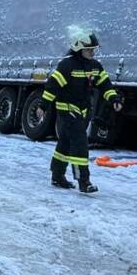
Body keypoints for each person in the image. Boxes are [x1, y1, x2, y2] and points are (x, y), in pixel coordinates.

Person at [41, 27, 123, 193]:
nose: (93, 52)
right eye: (89, 49)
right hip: (67, 110)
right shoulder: (67, 65)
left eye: (94, 49)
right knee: (80, 144)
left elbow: (105, 85)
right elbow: (52, 86)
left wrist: (114, 99)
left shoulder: (95, 66)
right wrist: (43, 106)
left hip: (84, 111)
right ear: (78, 48)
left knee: (65, 142)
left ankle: (57, 175)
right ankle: (84, 181)